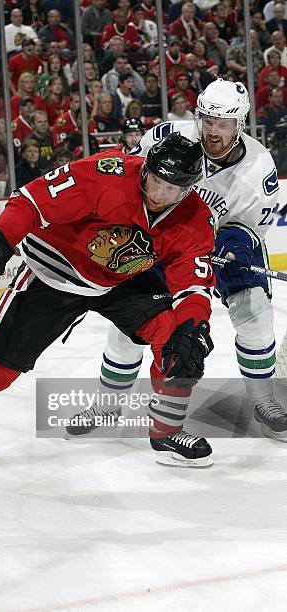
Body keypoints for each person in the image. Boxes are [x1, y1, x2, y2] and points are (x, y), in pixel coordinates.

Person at [0, 132, 215, 470]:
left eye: (171, 189)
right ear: (146, 167)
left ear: (188, 188)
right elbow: (30, 202)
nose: (158, 194)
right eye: (154, 180)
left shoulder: (196, 218)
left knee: (178, 341)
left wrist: (194, 325)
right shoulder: (105, 174)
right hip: (54, 271)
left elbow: (193, 285)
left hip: (122, 278)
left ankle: (166, 430)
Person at [78, 78, 285, 454]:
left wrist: (232, 243)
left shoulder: (259, 167)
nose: (212, 130)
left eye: (222, 124)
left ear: (240, 124)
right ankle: (107, 405)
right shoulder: (168, 136)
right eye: (206, 120)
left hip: (222, 246)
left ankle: (263, 401)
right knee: (129, 328)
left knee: (255, 314)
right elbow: (131, 180)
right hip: (157, 245)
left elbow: (252, 227)